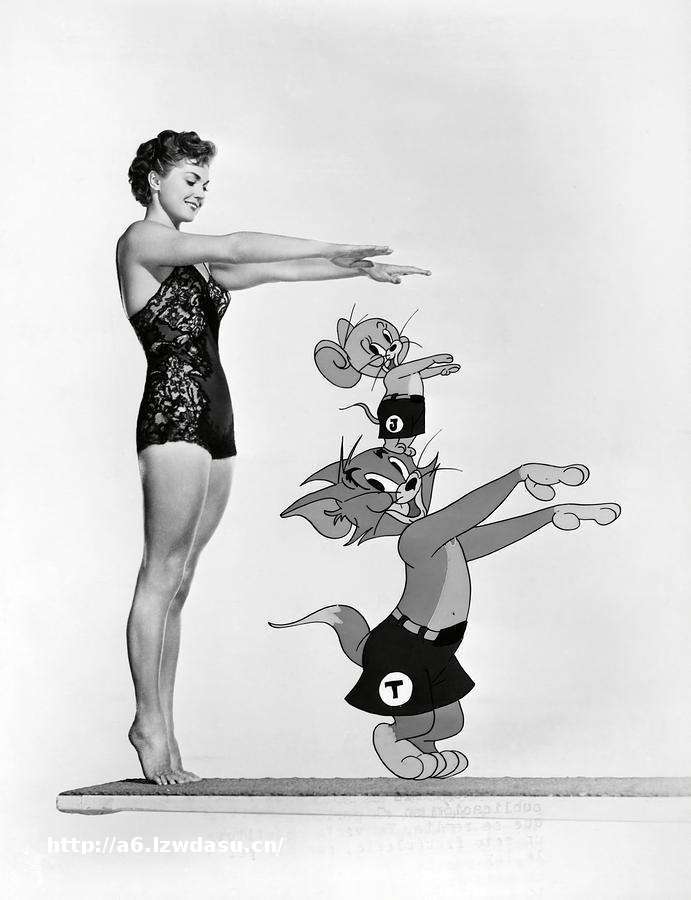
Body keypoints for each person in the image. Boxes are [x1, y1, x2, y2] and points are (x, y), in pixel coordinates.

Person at [115, 129, 430, 784]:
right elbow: (236, 245)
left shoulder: (197, 265)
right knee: (161, 572)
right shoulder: (142, 242)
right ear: (153, 180)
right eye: (190, 180)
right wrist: (332, 244)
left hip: (215, 423)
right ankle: (148, 723)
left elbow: (271, 269)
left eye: (206, 183)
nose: (200, 192)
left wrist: (353, 267)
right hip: (174, 415)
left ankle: (164, 727)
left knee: (181, 580)